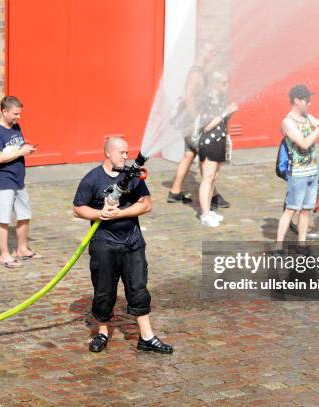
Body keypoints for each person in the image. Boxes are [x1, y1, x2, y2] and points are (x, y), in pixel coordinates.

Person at [73, 136, 173, 354]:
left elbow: (146, 204)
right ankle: (102, 333)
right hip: (104, 244)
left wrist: (121, 213)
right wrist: (100, 213)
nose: (126, 156)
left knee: (138, 288)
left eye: (127, 153)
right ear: (108, 153)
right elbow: (79, 208)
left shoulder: (132, 176)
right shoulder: (92, 179)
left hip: (132, 242)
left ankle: (146, 337)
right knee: (104, 290)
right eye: (122, 152)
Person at [168, 42, 230, 210]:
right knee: (206, 156)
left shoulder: (201, 72)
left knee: (189, 154)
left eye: (213, 51)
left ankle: (175, 192)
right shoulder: (195, 73)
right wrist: (197, 120)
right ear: (201, 52)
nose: (211, 54)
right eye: (209, 51)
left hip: (191, 124)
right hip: (193, 123)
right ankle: (213, 195)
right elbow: (189, 97)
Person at [275, 85, 319, 255]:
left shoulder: (307, 117)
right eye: (307, 100)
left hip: (312, 171)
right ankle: (278, 246)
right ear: (297, 100)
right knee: (291, 209)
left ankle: (302, 244)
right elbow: (304, 143)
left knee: (306, 210)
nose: (309, 104)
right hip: (298, 173)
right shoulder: (287, 122)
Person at [0, 96, 41, 269]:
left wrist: (26, 149)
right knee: (4, 219)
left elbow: (16, 148)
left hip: (19, 179)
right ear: (4, 111)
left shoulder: (16, 126)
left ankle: (22, 249)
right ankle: (4, 255)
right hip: (4, 181)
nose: (18, 117)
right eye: (15, 114)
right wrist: (20, 153)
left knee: (25, 215)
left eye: (19, 114)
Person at [196, 72, 238, 227]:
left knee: (213, 177)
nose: (226, 86)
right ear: (215, 83)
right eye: (224, 83)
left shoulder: (220, 99)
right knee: (207, 177)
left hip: (219, 141)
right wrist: (225, 112)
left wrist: (229, 114)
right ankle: (205, 214)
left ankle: (208, 210)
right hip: (209, 142)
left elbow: (221, 122)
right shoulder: (206, 100)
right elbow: (206, 126)